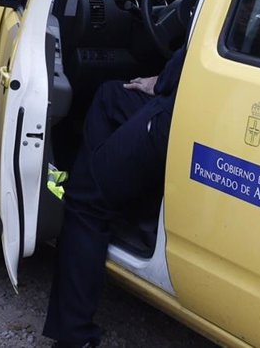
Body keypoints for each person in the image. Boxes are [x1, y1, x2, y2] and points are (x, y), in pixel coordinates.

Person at [42, 45, 187, 348]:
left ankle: (75, 336)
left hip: (181, 113)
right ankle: (104, 181)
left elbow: (194, 50)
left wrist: (161, 83)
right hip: (189, 99)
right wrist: (162, 80)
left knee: (84, 204)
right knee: (110, 95)